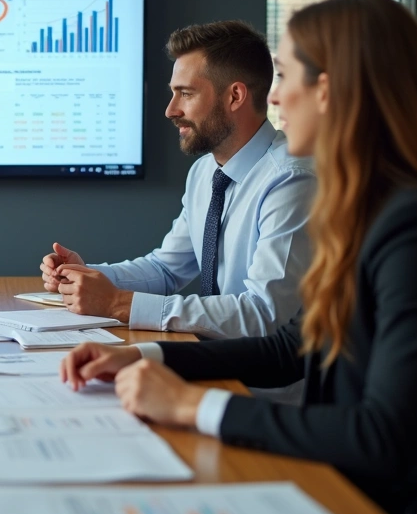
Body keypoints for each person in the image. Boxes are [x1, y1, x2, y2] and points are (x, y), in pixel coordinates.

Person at [60, 0, 417, 514]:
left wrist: (191, 403)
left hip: (407, 502)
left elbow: (383, 435)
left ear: (326, 91)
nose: (274, 99)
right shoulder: (371, 208)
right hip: (349, 476)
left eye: (284, 76)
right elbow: (290, 349)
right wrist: (143, 357)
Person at [40, 21, 315, 343]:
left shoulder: (291, 181)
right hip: (212, 359)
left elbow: (263, 314)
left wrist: (118, 303)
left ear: (235, 96)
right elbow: (166, 270)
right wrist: (87, 276)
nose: (171, 110)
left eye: (186, 93)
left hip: (263, 384)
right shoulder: (205, 171)